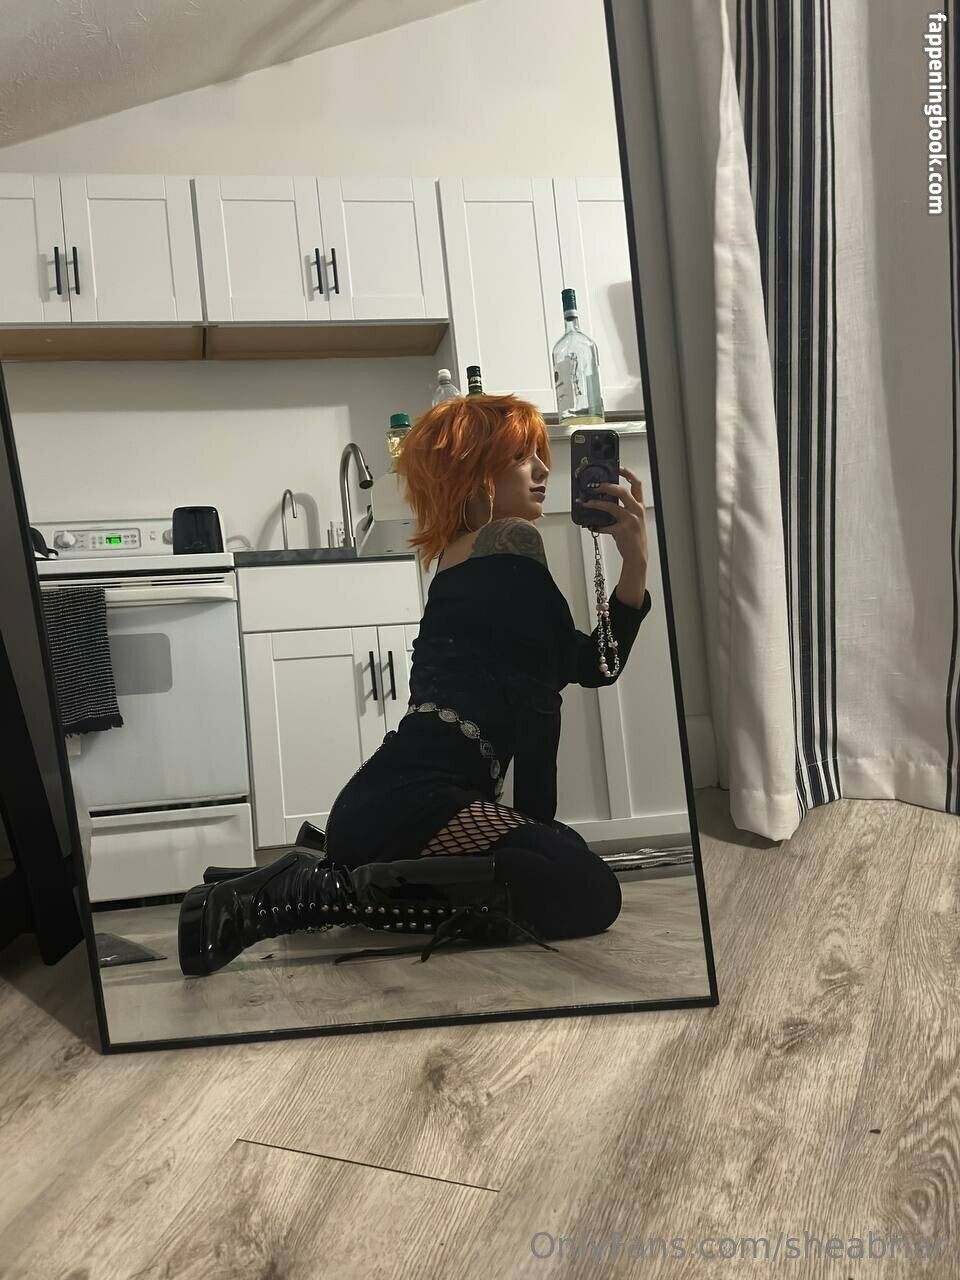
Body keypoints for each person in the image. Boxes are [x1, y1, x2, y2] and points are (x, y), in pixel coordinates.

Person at [178, 395, 651, 976]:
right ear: (477, 473)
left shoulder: (461, 555)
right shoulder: (511, 540)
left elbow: (585, 665)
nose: (542, 469)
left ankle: (326, 868)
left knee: (560, 858)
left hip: (389, 806)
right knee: (586, 887)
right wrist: (538, 824)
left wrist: (632, 565)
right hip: (417, 806)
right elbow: (547, 700)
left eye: (538, 455)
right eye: (521, 456)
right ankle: (304, 892)